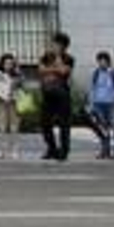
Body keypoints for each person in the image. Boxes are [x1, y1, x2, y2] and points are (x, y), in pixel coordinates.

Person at [39, 33, 75, 161]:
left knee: (64, 124)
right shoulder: (46, 56)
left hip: (62, 94)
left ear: (63, 46)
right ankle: (52, 148)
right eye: (52, 43)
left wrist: (58, 59)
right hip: (47, 94)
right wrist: (54, 69)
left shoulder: (68, 58)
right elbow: (41, 70)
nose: (52, 46)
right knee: (45, 123)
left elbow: (64, 71)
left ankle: (64, 151)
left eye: (56, 44)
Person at [0, 54, 22, 160]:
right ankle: (1, 150)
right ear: (2, 64)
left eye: (10, 63)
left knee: (14, 127)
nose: (8, 65)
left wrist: (15, 82)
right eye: (6, 63)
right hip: (0, 102)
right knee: (1, 127)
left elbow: (21, 86)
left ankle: (14, 150)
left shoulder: (17, 74)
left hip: (13, 102)